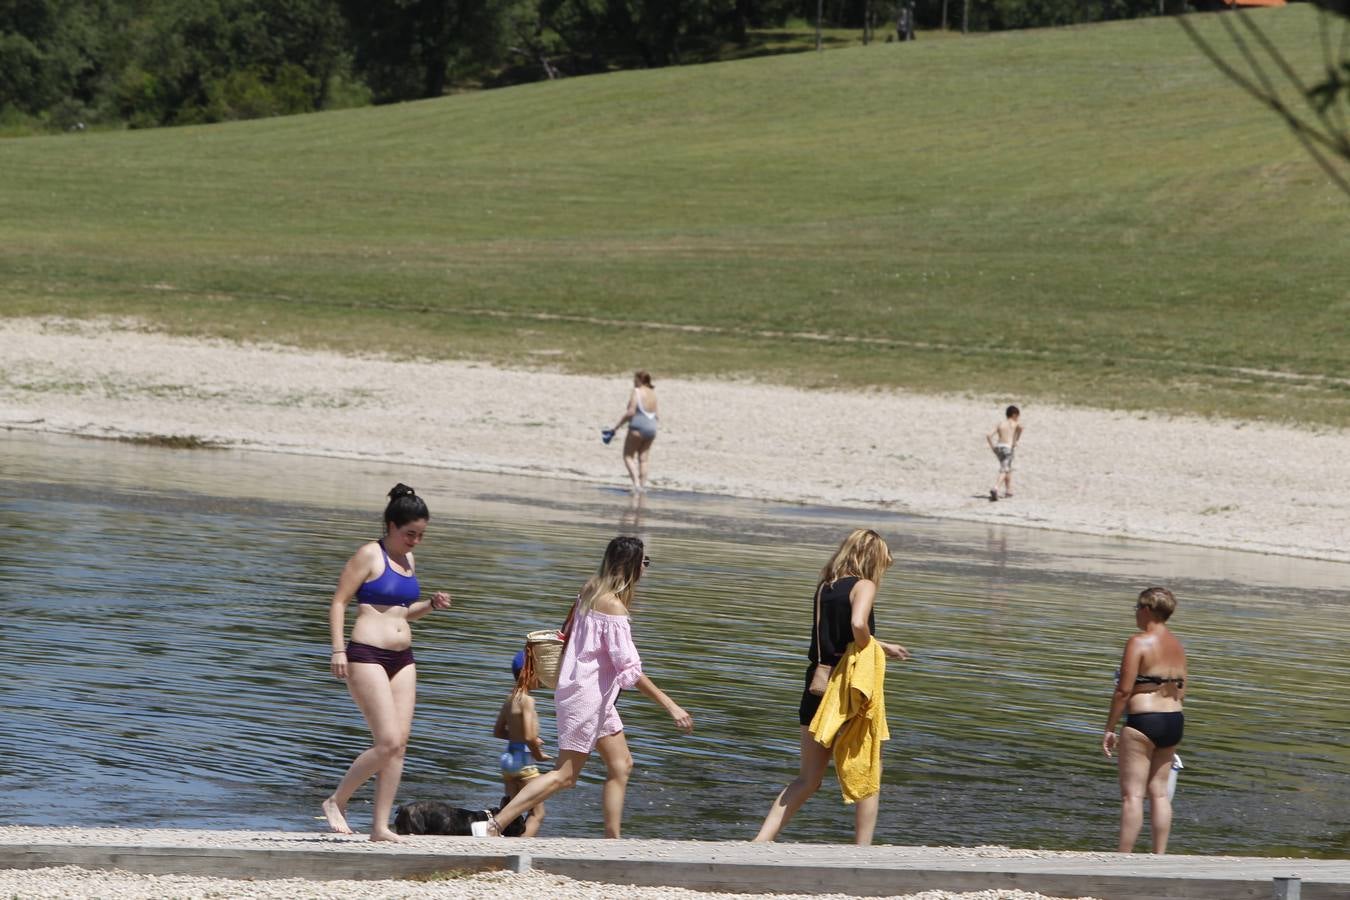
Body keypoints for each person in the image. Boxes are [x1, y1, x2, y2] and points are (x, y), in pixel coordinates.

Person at [484, 536, 693, 838]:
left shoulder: (589, 589)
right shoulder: (614, 608)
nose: (647, 568)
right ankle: (496, 825)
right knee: (564, 775)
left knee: (621, 765)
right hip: (587, 699)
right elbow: (631, 670)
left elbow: (567, 633)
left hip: (590, 695)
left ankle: (613, 840)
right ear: (631, 565)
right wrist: (671, 706)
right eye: (645, 562)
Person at [754, 529, 910, 846]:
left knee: (808, 778)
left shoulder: (826, 586)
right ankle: (862, 851)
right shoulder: (864, 585)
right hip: (850, 689)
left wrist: (881, 644)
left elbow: (838, 636)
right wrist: (872, 649)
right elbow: (856, 626)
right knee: (868, 770)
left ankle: (761, 841)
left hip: (818, 683)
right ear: (872, 559)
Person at [322, 483, 452, 842]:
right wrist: (337, 650)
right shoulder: (369, 555)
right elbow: (338, 602)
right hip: (366, 654)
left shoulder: (409, 560)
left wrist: (429, 605)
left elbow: (402, 613)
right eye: (410, 534)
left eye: (421, 535)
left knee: (401, 744)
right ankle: (337, 799)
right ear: (391, 526)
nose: (415, 542)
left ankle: (380, 827)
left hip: (403, 658)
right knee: (387, 741)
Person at [1102, 586, 1188, 854]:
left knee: (1132, 795)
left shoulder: (1138, 642)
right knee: (1160, 793)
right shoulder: (1177, 645)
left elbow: (1123, 691)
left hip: (1143, 721)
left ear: (1147, 610)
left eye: (1136, 609)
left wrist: (1110, 728)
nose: (1135, 614)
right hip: (1174, 720)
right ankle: (1159, 858)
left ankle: (1123, 860)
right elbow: (1180, 689)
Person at [492, 650, 552, 837]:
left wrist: (525, 737)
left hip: (508, 760)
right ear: (529, 674)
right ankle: (519, 851)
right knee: (537, 813)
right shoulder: (528, 700)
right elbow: (528, 734)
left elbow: (499, 731)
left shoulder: (509, 700)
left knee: (511, 812)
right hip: (524, 762)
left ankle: (496, 842)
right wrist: (538, 752)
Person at [609, 371, 659, 494]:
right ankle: (642, 486)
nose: (633, 383)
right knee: (644, 459)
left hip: (638, 427)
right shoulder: (653, 393)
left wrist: (616, 427)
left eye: (635, 380)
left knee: (628, 456)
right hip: (652, 428)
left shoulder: (637, 392)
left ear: (639, 380)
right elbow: (657, 415)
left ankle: (636, 484)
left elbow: (631, 412)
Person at [986, 405, 1023, 501]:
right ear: (1014, 415)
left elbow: (989, 435)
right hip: (1007, 448)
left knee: (1007, 468)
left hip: (998, 447)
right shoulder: (1014, 423)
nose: (1018, 418)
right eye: (1018, 416)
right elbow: (1021, 428)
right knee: (1005, 470)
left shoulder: (1000, 423)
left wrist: (993, 448)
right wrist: (1016, 440)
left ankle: (1008, 490)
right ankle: (995, 488)